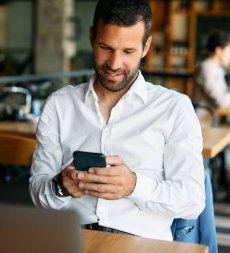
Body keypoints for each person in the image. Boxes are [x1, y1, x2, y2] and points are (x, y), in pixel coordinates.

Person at [29, 0, 205, 241]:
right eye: (105, 47)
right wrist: (60, 186)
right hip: (73, 239)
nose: (114, 64)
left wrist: (134, 186)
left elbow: (192, 202)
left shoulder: (174, 108)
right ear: (92, 37)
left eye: (128, 52)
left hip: (143, 244)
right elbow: (38, 194)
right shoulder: (59, 105)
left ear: (146, 47)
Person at [193, 30, 230, 127]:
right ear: (218, 51)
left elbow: (223, 94)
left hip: (211, 120)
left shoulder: (216, 68)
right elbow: (221, 102)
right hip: (203, 125)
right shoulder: (206, 68)